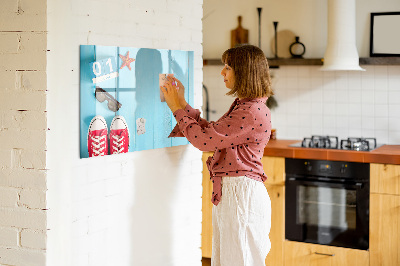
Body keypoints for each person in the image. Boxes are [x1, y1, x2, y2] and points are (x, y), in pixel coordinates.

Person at [161, 44, 273, 266]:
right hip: (236, 193)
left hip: (241, 195)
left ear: (244, 72)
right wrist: (182, 103)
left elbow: (204, 141)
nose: (222, 72)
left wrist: (176, 108)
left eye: (228, 67)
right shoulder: (246, 106)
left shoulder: (250, 111)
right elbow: (212, 133)